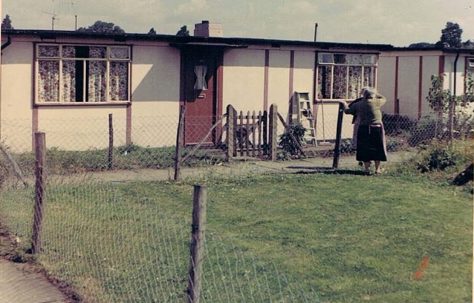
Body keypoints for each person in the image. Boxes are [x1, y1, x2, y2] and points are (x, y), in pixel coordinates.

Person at [343, 87, 387, 175]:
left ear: (364, 95)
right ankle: (377, 169)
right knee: (377, 148)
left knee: (364, 148)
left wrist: (344, 103)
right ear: (373, 95)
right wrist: (375, 93)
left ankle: (366, 169)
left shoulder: (358, 104)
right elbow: (384, 98)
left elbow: (347, 111)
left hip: (363, 128)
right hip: (376, 128)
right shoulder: (377, 102)